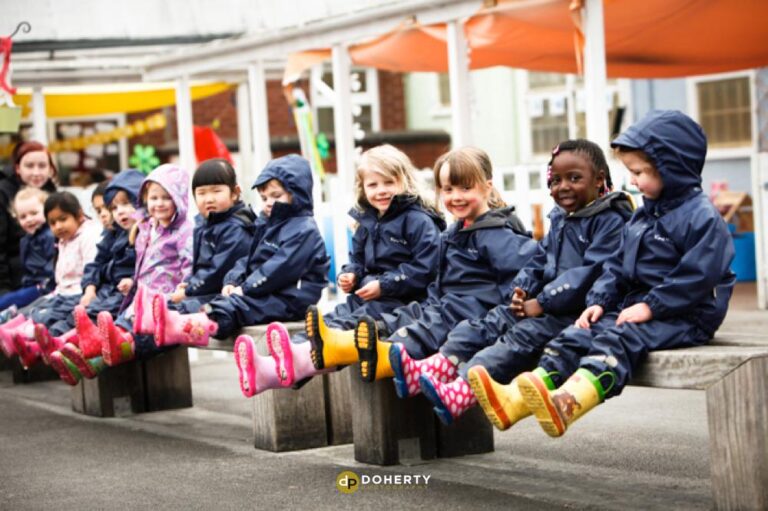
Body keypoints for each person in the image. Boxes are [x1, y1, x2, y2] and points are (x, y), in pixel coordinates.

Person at [514, 110, 736, 437]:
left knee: (620, 338)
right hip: (640, 306)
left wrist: (652, 306)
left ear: (671, 168)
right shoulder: (644, 214)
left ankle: (570, 402)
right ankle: (523, 395)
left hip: (687, 314)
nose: (632, 180)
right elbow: (617, 264)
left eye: (639, 172)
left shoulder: (701, 217)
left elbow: (698, 276)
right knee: (580, 332)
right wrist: (600, 301)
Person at [262, 147, 536, 396]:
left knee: (402, 328)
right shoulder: (454, 232)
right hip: (435, 303)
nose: (455, 197)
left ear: (487, 187)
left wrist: (508, 310)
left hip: (460, 311)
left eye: (465, 188)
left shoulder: (495, 234)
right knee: (371, 319)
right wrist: (352, 273)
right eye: (448, 189)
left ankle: (316, 358)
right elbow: (432, 278)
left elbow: (521, 279)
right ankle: (294, 356)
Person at [404, 140, 633, 425]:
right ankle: (448, 376)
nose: (563, 187)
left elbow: (588, 275)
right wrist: (521, 289)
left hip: (581, 312)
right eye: (556, 180)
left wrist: (542, 301)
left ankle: (463, 390)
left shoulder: (609, 220)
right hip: (551, 306)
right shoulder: (563, 218)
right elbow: (540, 259)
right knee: (494, 324)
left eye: (574, 179)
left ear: (599, 180)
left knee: (520, 338)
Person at [233, 145, 445, 396]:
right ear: (363, 187)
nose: (381, 191)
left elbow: (426, 267)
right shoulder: (367, 220)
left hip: (401, 302)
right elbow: (357, 259)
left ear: (405, 180)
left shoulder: (417, 220)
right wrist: (351, 274)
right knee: (326, 323)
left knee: (345, 328)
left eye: (389, 182)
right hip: (367, 297)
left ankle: (283, 366)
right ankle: (278, 363)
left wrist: (384, 284)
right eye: (373, 185)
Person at [144, 155, 329, 351]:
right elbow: (248, 259)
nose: (268, 203)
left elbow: (278, 269)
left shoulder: (304, 230)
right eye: (264, 197)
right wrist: (232, 281)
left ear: (297, 193)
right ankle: (165, 319)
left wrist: (245, 288)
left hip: (289, 299)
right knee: (213, 303)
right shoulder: (267, 222)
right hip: (263, 293)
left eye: (276, 196)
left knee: (230, 308)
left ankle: (186, 327)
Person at [97, 159, 257, 368]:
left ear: (235, 193)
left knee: (168, 313)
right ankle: (110, 341)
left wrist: (187, 289)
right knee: (157, 308)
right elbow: (198, 266)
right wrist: (187, 284)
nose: (209, 199)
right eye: (201, 193)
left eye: (216, 191)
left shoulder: (235, 228)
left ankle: (126, 345)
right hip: (203, 291)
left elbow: (217, 272)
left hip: (220, 295)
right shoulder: (205, 224)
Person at [48, 164, 193, 384]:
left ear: (179, 198)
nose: (159, 203)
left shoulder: (182, 230)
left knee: (125, 335)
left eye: (167, 197)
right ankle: (79, 358)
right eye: (154, 198)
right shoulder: (148, 228)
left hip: (166, 299)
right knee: (119, 328)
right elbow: (144, 265)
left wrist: (185, 286)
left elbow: (188, 262)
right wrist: (133, 283)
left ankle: (79, 349)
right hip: (141, 296)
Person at [37, 170, 142, 381]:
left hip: (128, 294)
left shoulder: (141, 233)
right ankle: (57, 348)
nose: (110, 213)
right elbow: (96, 265)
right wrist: (91, 286)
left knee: (99, 316)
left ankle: (62, 346)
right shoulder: (114, 234)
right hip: (109, 291)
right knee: (82, 312)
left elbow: (136, 269)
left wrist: (116, 277)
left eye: (125, 204)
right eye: (112, 208)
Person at [0, 191, 101, 367]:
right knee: (36, 307)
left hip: (77, 291)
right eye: (53, 223)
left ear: (78, 215)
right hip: (62, 290)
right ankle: (16, 336)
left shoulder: (87, 235)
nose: (58, 226)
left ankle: (23, 337)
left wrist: (87, 289)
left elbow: (90, 267)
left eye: (63, 219)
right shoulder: (62, 239)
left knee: (49, 313)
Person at [0, 141, 57, 294]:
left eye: (42, 166)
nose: (36, 172)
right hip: (14, 280)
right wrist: (4, 289)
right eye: (29, 166)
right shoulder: (3, 193)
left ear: (50, 169)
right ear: (18, 168)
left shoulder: (54, 194)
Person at [0, 187, 56, 314]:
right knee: (10, 299)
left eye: (34, 213)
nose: (29, 219)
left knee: (7, 301)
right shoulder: (25, 240)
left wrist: (45, 284)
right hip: (30, 285)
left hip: (45, 286)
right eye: (23, 217)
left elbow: (53, 266)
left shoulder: (49, 236)